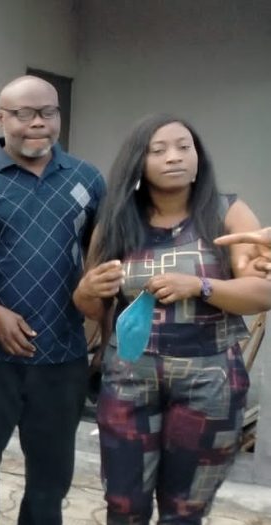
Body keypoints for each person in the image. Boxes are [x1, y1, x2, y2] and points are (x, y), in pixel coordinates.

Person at [73, 114, 271, 524]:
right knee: (124, 505)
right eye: (158, 150)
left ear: (199, 158)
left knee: (185, 510)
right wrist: (88, 290)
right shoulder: (116, 221)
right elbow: (92, 308)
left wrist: (199, 286)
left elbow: (261, 293)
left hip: (209, 379)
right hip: (129, 376)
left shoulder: (227, 213)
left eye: (184, 147)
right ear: (138, 161)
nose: (174, 157)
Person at [0, 76, 105, 525]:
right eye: (24, 114)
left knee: (50, 480)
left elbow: (102, 260)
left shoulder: (87, 179)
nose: (38, 123)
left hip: (63, 355)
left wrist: (100, 327)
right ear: (0, 118)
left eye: (48, 112)